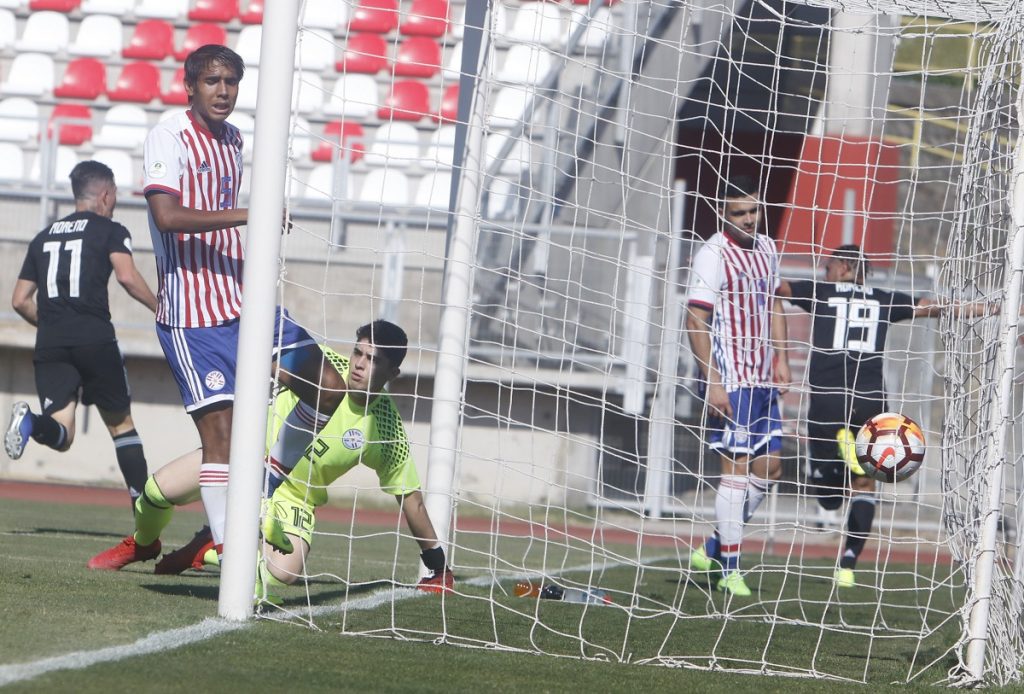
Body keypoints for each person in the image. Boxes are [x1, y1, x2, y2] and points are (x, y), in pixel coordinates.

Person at [87, 44, 346, 569]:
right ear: (189, 85)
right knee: (220, 437)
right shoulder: (167, 136)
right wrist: (255, 211)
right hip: (193, 319)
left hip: (245, 306)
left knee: (328, 386)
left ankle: (266, 483)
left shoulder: (233, 140)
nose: (223, 90)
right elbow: (166, 216)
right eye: (212, 81)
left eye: (231, 81)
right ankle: (229, 545)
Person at [87, 321, 455, 602]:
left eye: (372, 360)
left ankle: (212, 542)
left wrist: (437, 565)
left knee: (283, 574)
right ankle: (143, 542)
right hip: (241, 458)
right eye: (358, 352)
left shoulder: (386, 427)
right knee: (154, 491)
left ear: (392, 374)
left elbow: (412, 499)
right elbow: (261, 353)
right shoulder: (324, 367)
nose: (358, 364)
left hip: (295, 497)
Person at [777, 244, 992, 589]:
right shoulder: (882, 298)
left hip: (827, 400)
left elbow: (777, 288)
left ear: (845, 267)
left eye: (829, 266)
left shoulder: (821, 292)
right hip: (869, 403)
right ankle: (848, 563)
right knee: (865, 487)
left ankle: (839, 454)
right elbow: (932, 307)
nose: (825, 271)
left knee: (828, 499)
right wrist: (994, 307)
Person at [6, 160, 158, 513]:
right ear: (105, 194)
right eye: (116, 193)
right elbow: (126, 276)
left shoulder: (42, 237)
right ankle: (144, 511)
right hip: (94, 338)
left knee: (63, 433)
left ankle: (29, 422)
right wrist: (159, 306)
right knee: (121, 425)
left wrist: (51, 326)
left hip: (51, 342)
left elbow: (19, 300)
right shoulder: (110, 229)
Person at [685, 174, 791, 597]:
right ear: (723, 215)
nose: (748, 219)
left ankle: (713, 546)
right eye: (739, 213)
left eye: (753, 210)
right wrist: (712, 381)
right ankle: (729, 568)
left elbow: (774, 304)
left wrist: (782, 356)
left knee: (772, 468)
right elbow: (695, 318)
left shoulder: (767, 247)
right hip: (732, 378)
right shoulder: (713, 253)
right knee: (736, 468)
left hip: (764, 375)